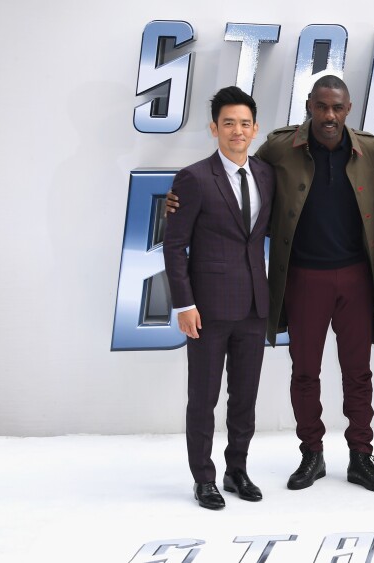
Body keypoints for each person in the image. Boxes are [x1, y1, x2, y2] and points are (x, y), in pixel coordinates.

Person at [170, 75, 374, 493]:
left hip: (356, 277)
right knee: (305, 372)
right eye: (321, 106)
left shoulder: (368, 148)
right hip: (302, 276)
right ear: (309, 106)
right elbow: (237, 176)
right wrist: (177, 202)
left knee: (359, 373)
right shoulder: (279, 146)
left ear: (348, 109)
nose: (329, 115)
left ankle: (361, 456)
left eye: (337, 108)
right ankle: (311, 453)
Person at [163, 86, 275, 509]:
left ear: (255, 128)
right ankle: (203, 478)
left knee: (244, 397)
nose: (237, 131)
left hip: (253, 307)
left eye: (244, 123)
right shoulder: (192, 178)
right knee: (204, 397)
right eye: (228, 123)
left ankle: (237, 471)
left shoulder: (266, 174)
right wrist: (183, 304)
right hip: (207, 309)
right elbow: (174, 247)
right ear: (214, 128)